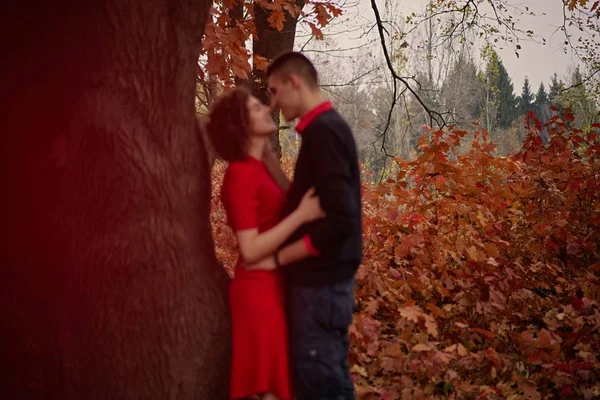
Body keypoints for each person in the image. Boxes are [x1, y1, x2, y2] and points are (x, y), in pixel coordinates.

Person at [254, 51, 363, 400]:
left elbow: (340, 220)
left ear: (294, 83)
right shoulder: (322, 130)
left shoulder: (325, 132)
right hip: (320, 286)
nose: (272, 103)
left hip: (321, 286)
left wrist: (283, 257)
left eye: (273, 91)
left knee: (322, 385)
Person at [206, 87, 325, 400]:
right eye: (255, 108)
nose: (265, 109)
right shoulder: (240, 175)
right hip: (257, 292)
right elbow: (251, 249)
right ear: (240, 125)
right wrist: (301, 215)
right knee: (265, 389)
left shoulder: (264, 168)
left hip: (277, 285)